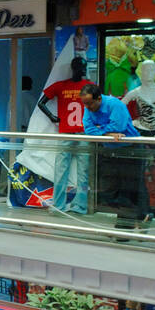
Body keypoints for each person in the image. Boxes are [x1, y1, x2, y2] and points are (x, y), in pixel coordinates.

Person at [80, 82, 149, 229]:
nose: (87, 108)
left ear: (99, 99)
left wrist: (100, 129)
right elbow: (88, 130)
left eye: (90, 104)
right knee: (108, 190)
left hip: (131, 149)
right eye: (85, 104)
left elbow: (118, 127)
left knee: (128, 188)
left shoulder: (115, 105)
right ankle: (142, 215)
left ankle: (125, 227)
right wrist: (106, 133)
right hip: (111, 151)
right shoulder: (89, 107)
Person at [40, 57, 92, 214]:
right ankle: (59, 204)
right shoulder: (61, 86)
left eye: (84, 67)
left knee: (83, 171)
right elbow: (41, 102)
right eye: (79, 67)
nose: (82, 70)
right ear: (73, 68)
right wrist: (52, 116)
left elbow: (99, 106)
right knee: (61, 170)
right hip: (65, 132)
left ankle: (80, 205)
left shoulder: (89, 86)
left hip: (84, 133)